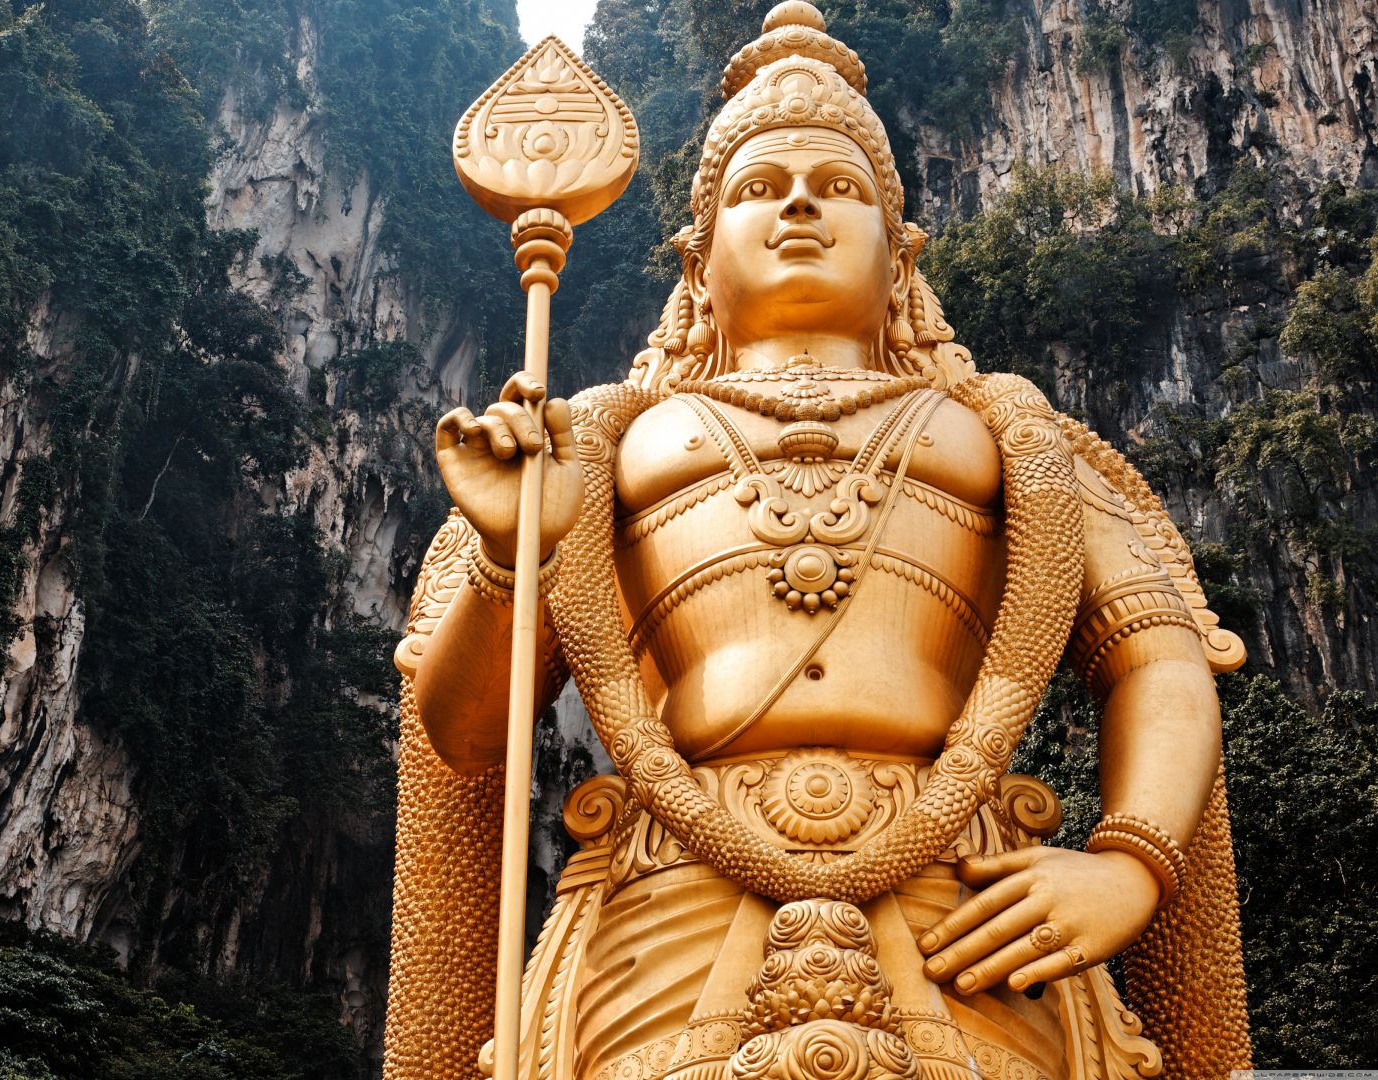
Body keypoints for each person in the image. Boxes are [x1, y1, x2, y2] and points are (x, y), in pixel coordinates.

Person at [383, 5, 1252, 1079]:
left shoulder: (1012, 438)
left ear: (901, 251)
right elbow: (467, 736)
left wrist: (1131, 863)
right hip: (671, 894)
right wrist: (512, 555)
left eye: (839, 185)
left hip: (964, 899)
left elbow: (1154, 655)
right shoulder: (599, 447)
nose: (798, 200)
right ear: (698, 259)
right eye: (757, 187)